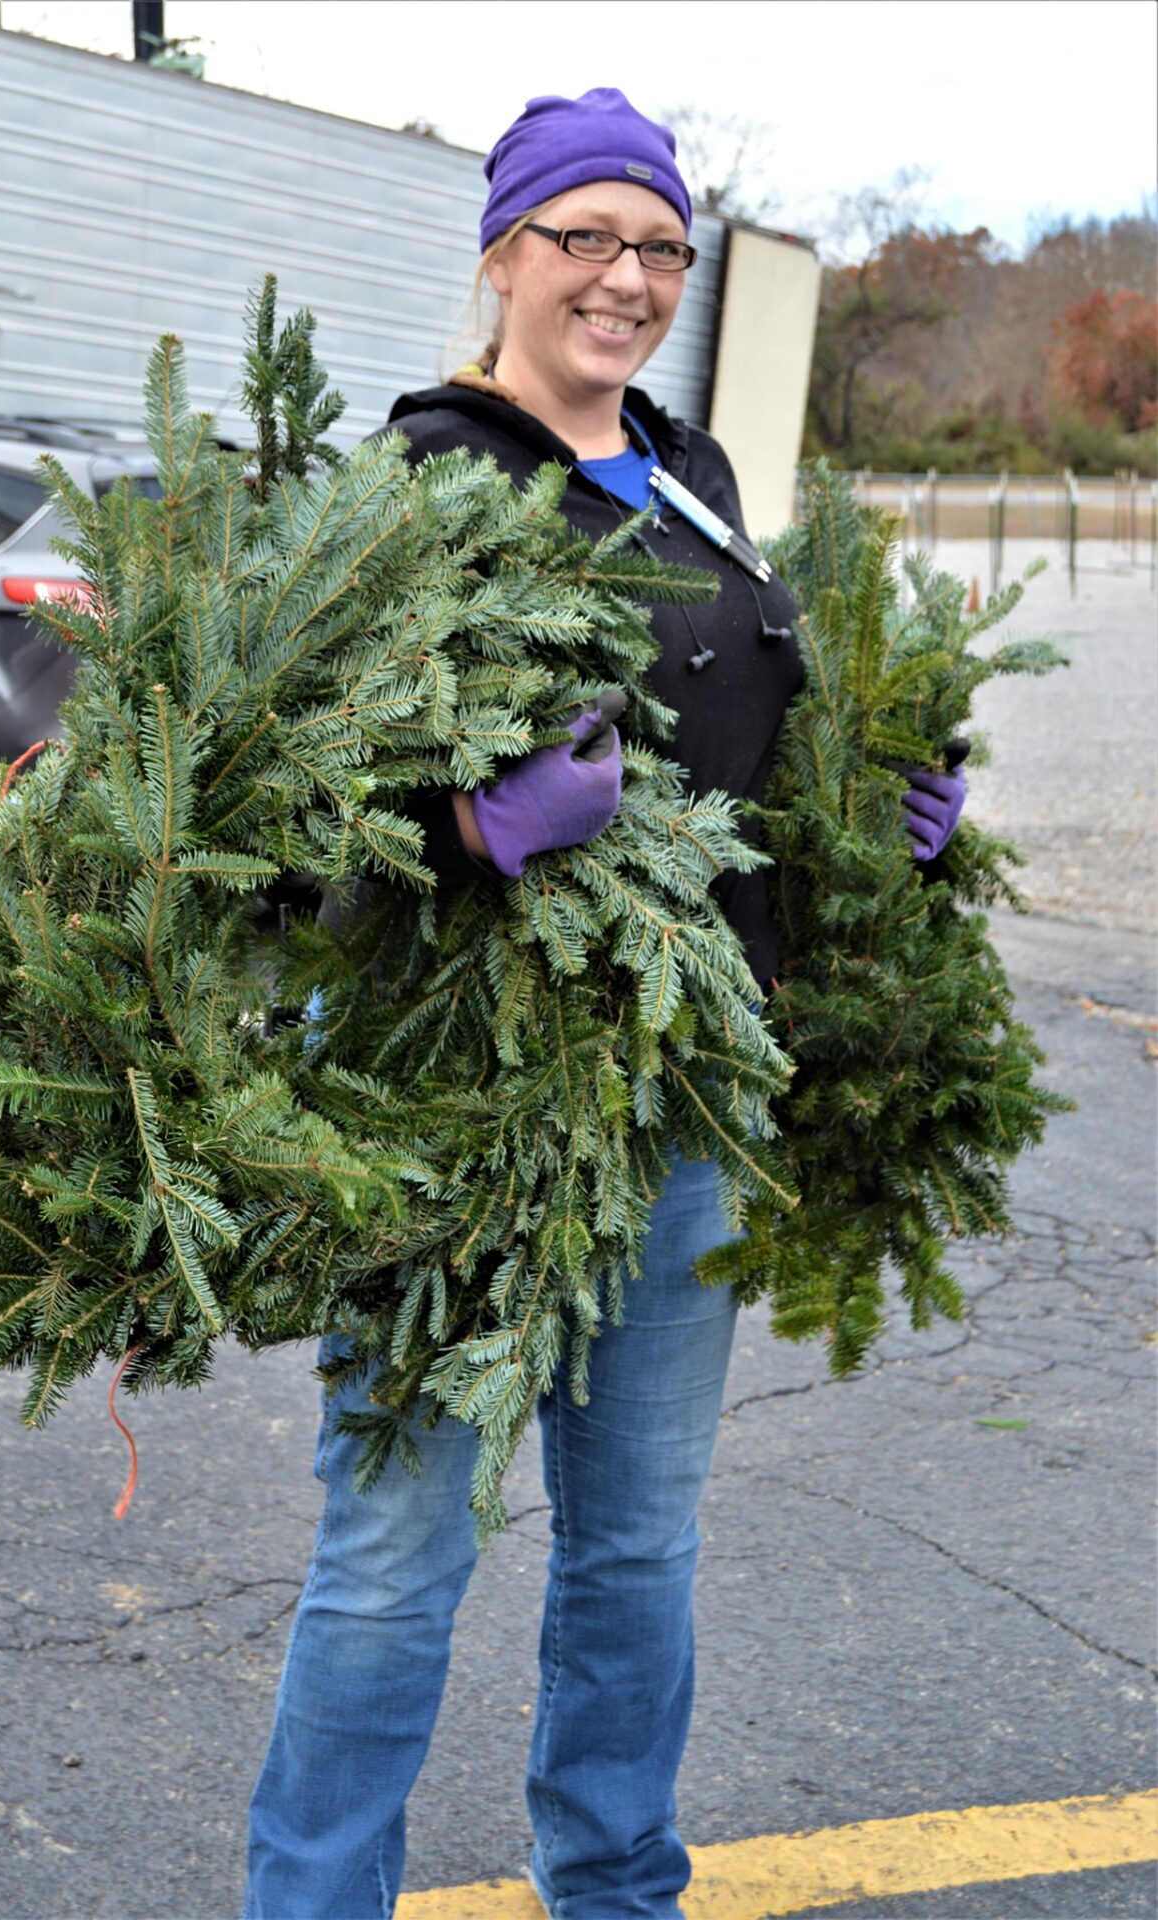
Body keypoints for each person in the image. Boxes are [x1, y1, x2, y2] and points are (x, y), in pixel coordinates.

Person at [241, 88, 965, 1920]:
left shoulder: (696, 475)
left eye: (659, 248)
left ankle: (617, 1885)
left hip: (683, 1106)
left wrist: (871, 826)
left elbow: (742, 754)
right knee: (397, 1560)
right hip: (447, 1112)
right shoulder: (418, 477)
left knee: (637, 1551)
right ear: (504, 254)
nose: (628, 279)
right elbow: (271, 799)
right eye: (586, 239)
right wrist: (465, 827)